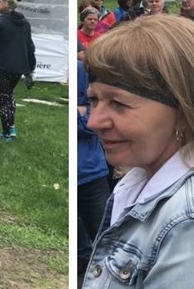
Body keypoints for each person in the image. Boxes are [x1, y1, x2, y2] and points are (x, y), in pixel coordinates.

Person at [83, 15, 194, 287]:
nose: (94, 121)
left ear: (185, 110)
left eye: (118, 103)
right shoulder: (143, 180)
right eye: (94, 99)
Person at [76, 61, 112, 281]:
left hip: (91, 173)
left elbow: (95, 119)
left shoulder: (83, 70)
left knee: (108, 239)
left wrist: (79, 114)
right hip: (77, 175)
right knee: (81, 254)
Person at [0, 0, 36, 140]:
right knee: (9, 95)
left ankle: (7, 131)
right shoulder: (25, 23)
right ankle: (10, 127)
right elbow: (29, 46)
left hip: (3, 64)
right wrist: (30, 68)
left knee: (3, 97)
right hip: (19, 66)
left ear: (6, 5)